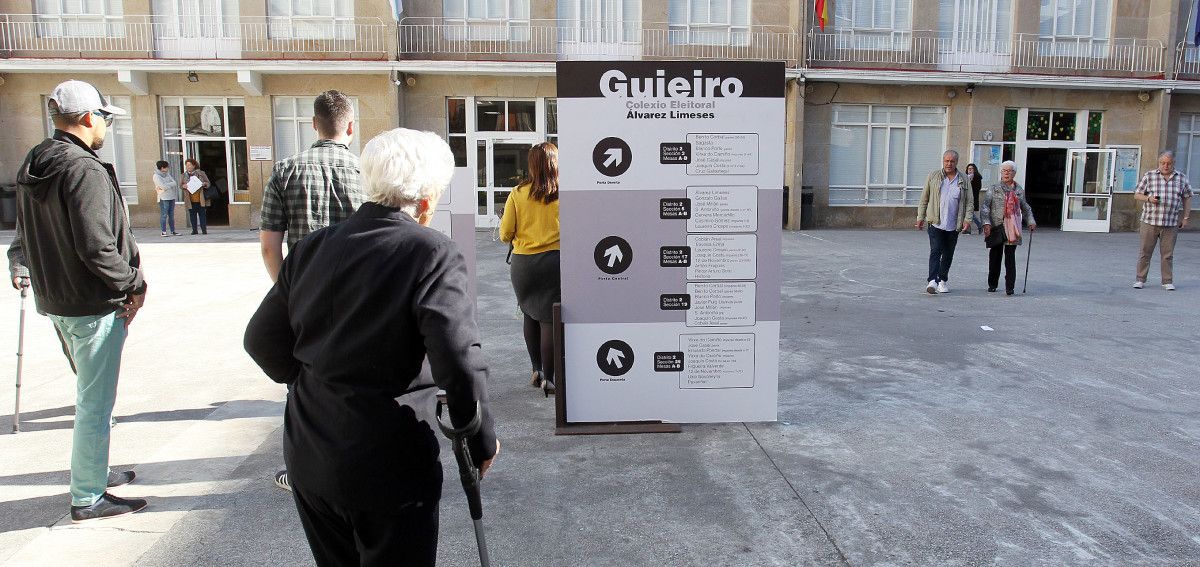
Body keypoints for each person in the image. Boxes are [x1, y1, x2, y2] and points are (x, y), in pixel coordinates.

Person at [244, 128, 498, 567]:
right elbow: (457, 358)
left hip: (311, 450)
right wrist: (479, 440)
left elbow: (261, 339)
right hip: (388, 462)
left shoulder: (311, 246)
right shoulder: (431, 251)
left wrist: (312, 383)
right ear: (425, 198)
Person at [6, 80, 147, 522]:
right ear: (88, 118)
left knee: (91, 395)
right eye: (103, 117)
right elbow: (96, 245)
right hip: (91, 304)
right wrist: (133, 284)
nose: (105, 124)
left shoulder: (36, 161)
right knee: (95, 403)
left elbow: (25, 236)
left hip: (58, 300)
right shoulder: (82, 169)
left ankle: (96, 471)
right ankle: (87, 496)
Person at [258, 89, 365, 492]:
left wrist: (286, 290)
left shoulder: (285, 171)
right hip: (358, 296)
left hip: (303, 293)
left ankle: (302, 469)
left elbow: (270, 245)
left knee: (301, 382)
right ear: (350, 127)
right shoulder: (364, 172)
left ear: (314, 125)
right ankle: (353, 460)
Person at [499, 142, 560, 396]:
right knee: (548, 320)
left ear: (531, 166)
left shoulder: (517, 193)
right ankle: (551, 378)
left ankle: (537, 370)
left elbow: (505, 234)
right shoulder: (565, 193)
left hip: (524, 264)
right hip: (555, 261)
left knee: (528, 313)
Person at [1133, 150, 1192, 291]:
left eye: (1168, 163)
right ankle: (1140, 279)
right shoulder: (1150, 176)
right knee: (1145, 252)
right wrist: (1148, 198)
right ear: (1159, 163)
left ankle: (1167, 281)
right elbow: (1137, 194)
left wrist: (1185, 217)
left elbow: (1188, 197)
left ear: (1173, 163)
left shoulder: (1181, 178)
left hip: (1170, 223)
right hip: (1149, 221)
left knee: (1167, 254)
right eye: (1163, 163)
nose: (1165, 166)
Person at [915, 149, 973, 294]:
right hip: (935, 222)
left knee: (948, 253)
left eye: (952, 161)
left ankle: (942, 280)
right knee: (935, 251)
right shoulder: (933, 176)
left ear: (957, 162)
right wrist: (920, 217)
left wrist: (967, 219)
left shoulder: (964, 179)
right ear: (943, 161)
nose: (949, 164)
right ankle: (932, 281)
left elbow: (969, 202)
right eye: (946, 161)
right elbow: (924, 198)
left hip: (954, 224)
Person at [981, 161, 1036, 295]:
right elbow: (985, 206)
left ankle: (1009, 286)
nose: (1006, 173)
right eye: (1004, 170)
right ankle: (992, 283)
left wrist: (1031, 221)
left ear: (1014, 173)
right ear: (1001, 172)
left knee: (1010, 257)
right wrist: (986, 223)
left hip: (1012, 227)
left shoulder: (1018, 190)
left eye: (1009, 170)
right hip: (997, 226)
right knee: (995, 256)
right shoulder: (993, 188)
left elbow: (1026, 207)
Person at [181, 158, 210, 235]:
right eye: (187, 165)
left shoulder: (201, 173)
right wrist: (183, 186)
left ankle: (204, 229)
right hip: (190, 199)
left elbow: (208, 183)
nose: (188, 167)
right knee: (192, 215)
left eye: (190, 165)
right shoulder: (184, 175)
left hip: (200, 198)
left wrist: (204, 184)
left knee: (202, 214)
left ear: (194, 165)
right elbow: (180, 185)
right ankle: (194, 230)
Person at [153, 160, 181, 237]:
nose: (168, 169)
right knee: (164, 215)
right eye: (166, 167)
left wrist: (166, 185)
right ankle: (163, 231)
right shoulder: (156, 176)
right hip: (163, 197)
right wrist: (167, 185)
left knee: (171, 215)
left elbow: (175, 183)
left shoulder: (167, 174)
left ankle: (173, 231)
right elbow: (162, 186)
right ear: (162, 168)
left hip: (171, 196)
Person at [965, 162, 983, 234]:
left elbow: (977, 188)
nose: (970, 170)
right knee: (967, 214)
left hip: (972, 198)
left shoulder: (977, 177)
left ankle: (979, 225)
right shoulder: (966, 177)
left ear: (974, 170)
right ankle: (968, 229)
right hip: (965, 198)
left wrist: (971, 181)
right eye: (969, 169)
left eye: (972, 169)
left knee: (970, 214)